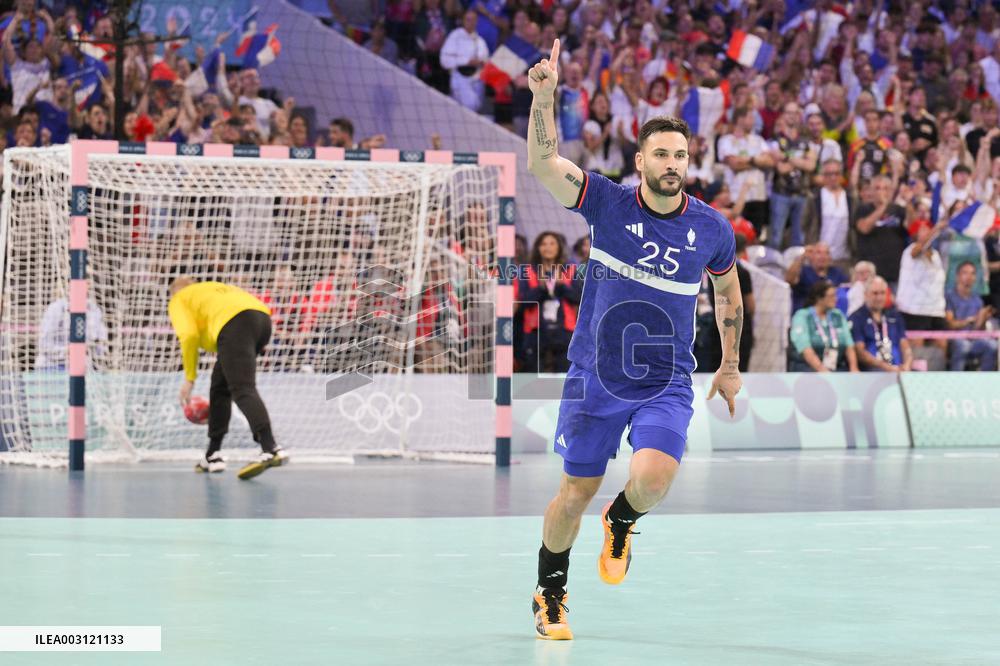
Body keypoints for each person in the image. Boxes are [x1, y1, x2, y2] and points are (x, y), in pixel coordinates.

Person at [524, 39, 742, 641]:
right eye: (661, 154)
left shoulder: (710, 227)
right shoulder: (608, 202)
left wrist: (729, 363)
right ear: (640, 160)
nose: (673, 162)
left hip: (666, 378)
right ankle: (550, 593)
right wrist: (545, 100)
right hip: (595, 374)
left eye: (681, 154)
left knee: (651, 478)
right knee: (574, 492)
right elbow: (544, 166)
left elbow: (728, 292)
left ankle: (620, 521)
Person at [168, 277, 289, 479]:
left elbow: (188, 335)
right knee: (220, 387)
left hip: (235, 325)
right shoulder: (211, 288)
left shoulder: (179, 299)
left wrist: (189, 378)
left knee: (242, 389)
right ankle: (212, 454)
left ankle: (271, 448)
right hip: (262, 320)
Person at [789, 280, 860, 372]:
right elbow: (804, 347)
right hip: (808, 368)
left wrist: (853, 367)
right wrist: (821, 369)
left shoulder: (837, 315)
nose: (836, 299)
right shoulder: (802, 316)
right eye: (831, 296)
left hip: (835, 367)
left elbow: (849, 344)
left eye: (835, 295)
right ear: (819, 298)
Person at [850, 277, 913, 372]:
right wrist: (885, 367)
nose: (879, 298)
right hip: (872, 370)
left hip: (898, 368)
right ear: (865, 295)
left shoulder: (895, 315)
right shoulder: (856, 317)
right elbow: (860, 352)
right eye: (875, 293)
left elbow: (904, 345)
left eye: (882, 293)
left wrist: (907, 365)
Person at [945, 261, 998, 371]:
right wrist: (968, 321)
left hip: (973, 340)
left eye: (972, 273)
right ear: (957, 276)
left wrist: (983, 319)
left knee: (992, 345)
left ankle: (983, 382)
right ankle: (956, 382)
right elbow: (950, 324)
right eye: (965, 273)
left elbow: (978, 329)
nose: (969, 276)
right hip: (955, 339)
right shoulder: (949, 296)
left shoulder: (977, 300)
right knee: (963, 346)